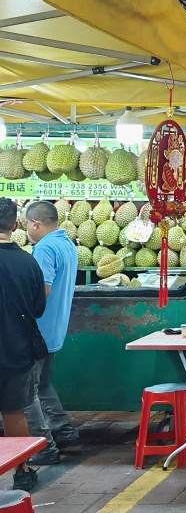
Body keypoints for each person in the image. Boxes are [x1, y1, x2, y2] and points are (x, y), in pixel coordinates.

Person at [23, 201, 79, 466]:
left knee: (27, 391)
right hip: (54, 330)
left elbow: (41, 291)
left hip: (39, 329)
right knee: (43, 385)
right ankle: (64, 432)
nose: (26, 230)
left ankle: (45, 446)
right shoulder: (67, 243)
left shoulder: (44, 248)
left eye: (27, 224)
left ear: (35, 223)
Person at [0, 198, 47, 492]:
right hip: (17, 348)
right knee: (14, 412)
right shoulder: (29, 262)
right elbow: (38, 309)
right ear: (15, 225)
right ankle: (23, 471)